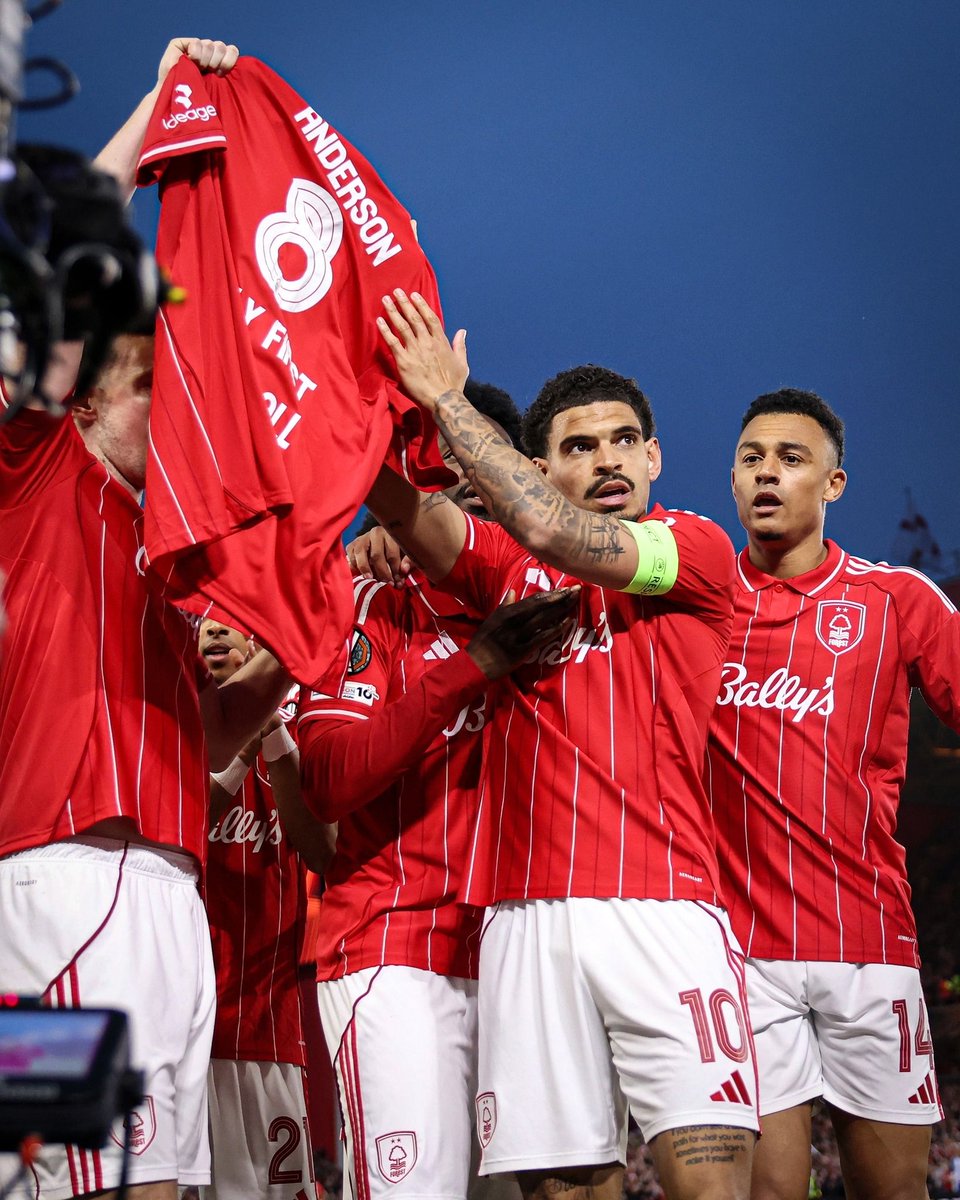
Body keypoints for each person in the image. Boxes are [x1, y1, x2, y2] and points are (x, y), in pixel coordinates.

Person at [367, 290, 758, 1200]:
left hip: (665, 910)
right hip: (523, 919)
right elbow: (404, 510)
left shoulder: (691, 550)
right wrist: (361, 409)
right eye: (579, 447)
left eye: (624, 440)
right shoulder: (503, 571)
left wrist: (447, 403)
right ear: (539, 463)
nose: (608, 459)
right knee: (563, 1189)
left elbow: (547, 526)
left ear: (656, 455)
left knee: (713, 1186)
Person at [0, 38, 289, 1200]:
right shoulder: (32, 469)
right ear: (97, 388)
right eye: (164, 389)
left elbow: (214, 749)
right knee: (62, 1184)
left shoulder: (192, 556)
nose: (187, 420)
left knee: (158, 1186)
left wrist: (277, 671)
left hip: (171, 890)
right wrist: (156, 102)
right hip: (59, 877)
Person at [299, 392, 576, 1200]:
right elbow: (327, 780)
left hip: (527, 958)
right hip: (398, 951)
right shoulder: (376, 604)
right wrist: (473, 668)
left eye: (469, 470)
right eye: (433, 477)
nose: (455, 490)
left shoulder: (562, 606)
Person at [707, 388, 960, 1200]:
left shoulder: (898, 601)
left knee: (893, 1193)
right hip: (740, 956)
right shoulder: (695, 599)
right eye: (751, 459)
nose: (767, 475)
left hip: (871, 947)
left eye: (791, 459)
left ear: (835, 484)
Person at [198, 618, 337, 1200]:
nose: (215, 634)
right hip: (192, 1033)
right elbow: (177, 830)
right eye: (203, 626)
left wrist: (273, 737)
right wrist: (234, 762)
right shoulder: (173, 727)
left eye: (231, 623)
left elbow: (327, 851)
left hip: (273, 1031)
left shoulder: (297, 740)